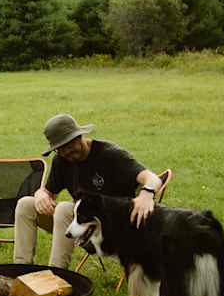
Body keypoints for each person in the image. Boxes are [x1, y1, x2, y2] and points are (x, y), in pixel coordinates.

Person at [13, 113, 162, 268]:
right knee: (26, 204)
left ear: (79, 137)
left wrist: (146, 195)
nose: (66, 152)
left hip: (111, 230)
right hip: (79, 226)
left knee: (64, 209)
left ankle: (56, 275)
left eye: (68, 146)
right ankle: (20, 269)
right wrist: (40, 194)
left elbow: (152, 178)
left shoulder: (109, 155)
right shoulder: (62, 160)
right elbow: (49, 192)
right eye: (59, 149)